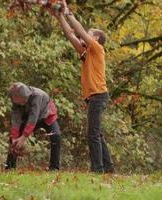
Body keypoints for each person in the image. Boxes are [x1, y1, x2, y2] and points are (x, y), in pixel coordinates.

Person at [46, 1, 114, 173]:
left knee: (92, 135)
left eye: (90, 35)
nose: (85, 37)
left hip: (98, 95)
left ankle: (98, 170)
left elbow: (79, 31)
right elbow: (71, 35)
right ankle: (108, 167)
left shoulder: (97, 49)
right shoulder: (86, 54)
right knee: (97, 134)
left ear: (96, 39)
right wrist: (60, 16)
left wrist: (68, 12)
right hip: (94, 97)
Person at [5, 82, 62, 170]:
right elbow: (16, 119)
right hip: (29, 119)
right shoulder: (16, 102)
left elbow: (33, 117)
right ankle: (10, 168)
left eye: (22, 101)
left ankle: (54, 168)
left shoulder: (37, 96)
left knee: (56, 136)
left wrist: (23, 138)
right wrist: (15, 138)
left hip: (47, 116)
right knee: (14, 140)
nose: (20, 104)